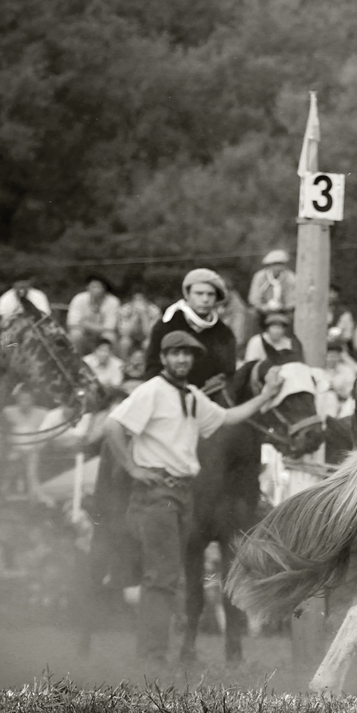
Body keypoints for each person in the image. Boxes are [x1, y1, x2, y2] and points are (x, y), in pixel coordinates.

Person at [103, 331, 291, 663]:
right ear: (163, 358)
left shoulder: (190, 396)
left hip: (182, 494)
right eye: (175, 354)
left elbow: (228, 417)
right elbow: (113, 426)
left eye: (188, 354)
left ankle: (156, 653)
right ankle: (151, 656)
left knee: (168, 575)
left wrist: (266, 397)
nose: (182, 359)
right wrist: (132, 469)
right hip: (157, 492)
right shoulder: (152, 391)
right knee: (161, 576)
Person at [146, 268, 240, 395]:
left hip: (209, 400)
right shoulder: (166, 326)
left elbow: (228, 373)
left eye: (210, 294)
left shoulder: (224, 333)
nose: (205, 299)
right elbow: (151, 368)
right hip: (167, 395)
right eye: (199, 293)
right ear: (187, 295)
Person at [65, 276, 120, 352]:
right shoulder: (79, 298)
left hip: (102, 334)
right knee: (75, 334)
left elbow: (110, 327)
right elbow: (72, 323)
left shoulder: (113, 302)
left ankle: (112, 362)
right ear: (88, 288)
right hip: (83, 332)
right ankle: (75, 361)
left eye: (98, 287)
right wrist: (96, 327)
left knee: (110, 337)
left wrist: (86, 324)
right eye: (93, 287)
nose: (96, 290)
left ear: (104, 288)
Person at [115, 289, 160, 370]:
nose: (138, 303)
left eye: (141, 299)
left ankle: (147, 368)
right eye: (136, 299)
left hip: (145, 337)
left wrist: (143, 315)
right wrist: (135, 316)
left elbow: (150, 334)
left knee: (148, 343)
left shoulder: (154, 311)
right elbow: (125, 333)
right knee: (124, 342)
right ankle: (124, 367)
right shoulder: (124, 309)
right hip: (130, 336)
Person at [248, 248, 299, 318]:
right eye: (274, 264)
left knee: (296, 316)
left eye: (280, 264)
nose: (277, 267)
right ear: (269, 265)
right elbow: (254, 297)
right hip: (263, 311)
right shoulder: (260, 277)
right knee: (251, 315)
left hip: (284, 311)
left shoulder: (291, 277)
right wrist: (263, 307)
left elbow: (293, 299)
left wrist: (283, 307)